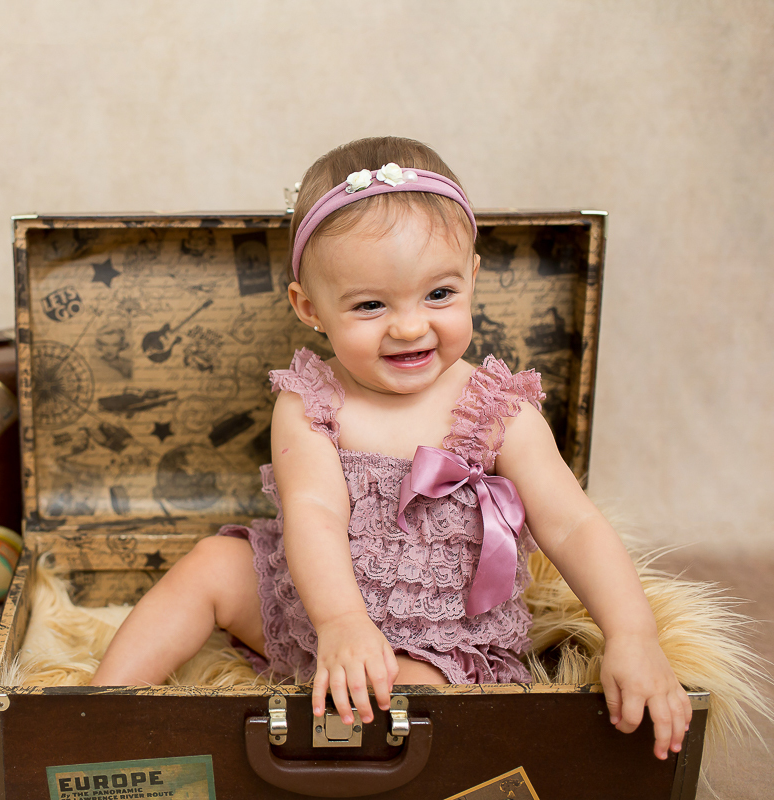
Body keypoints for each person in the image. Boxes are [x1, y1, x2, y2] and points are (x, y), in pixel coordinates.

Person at [92, 136, 690, 760]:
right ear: (310, 308)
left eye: (439, 294)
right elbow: (315, 513)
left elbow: (572, 525)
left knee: (403, 702)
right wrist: (340, 623)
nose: (410, 326)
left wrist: (632, 633)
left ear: (473, 278)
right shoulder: (310, 401)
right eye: (371, 305)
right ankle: (93, 711)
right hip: (318, 610)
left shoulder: (495, 407)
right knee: (213, 565)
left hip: (436, 632)